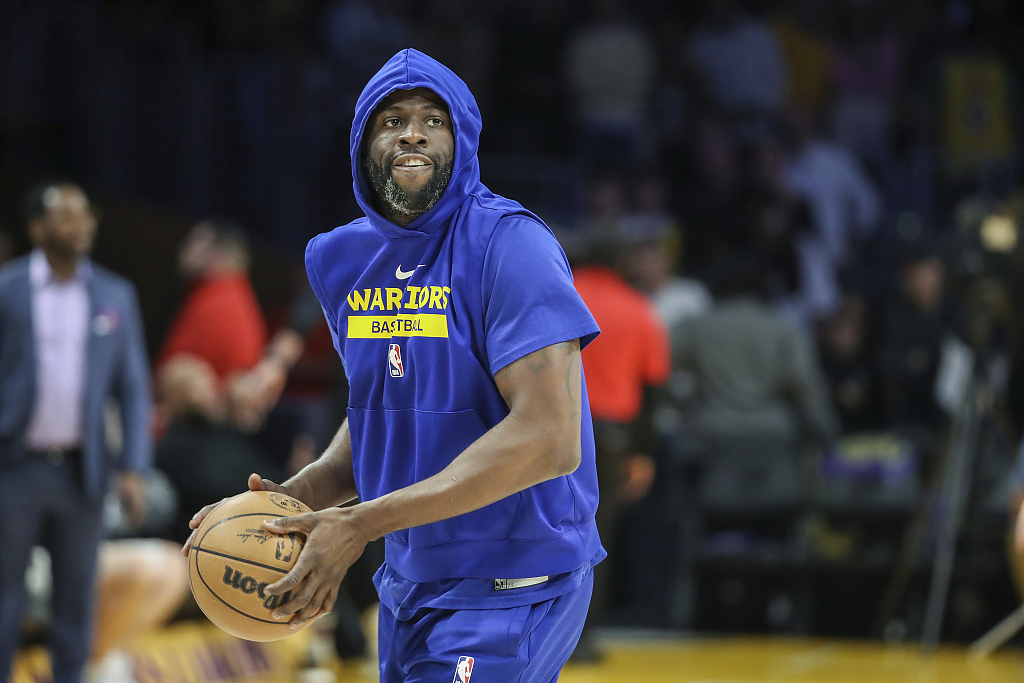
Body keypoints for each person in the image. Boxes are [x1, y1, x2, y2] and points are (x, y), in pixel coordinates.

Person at [185, 49, 604, 681]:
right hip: (409, 579)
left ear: (461, 138)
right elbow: (387, 412)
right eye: (391, 121)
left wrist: (360, 524)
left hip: (513, 578)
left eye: (433, 119)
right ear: (361, 144)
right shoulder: (342, 261)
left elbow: (550, 438)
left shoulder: (510, 244)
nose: (412, 130)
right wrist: (296, 502)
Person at [0, 180, 151, 683]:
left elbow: (132, 389)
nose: (80, 223)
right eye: (65, 215)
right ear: (38, 228)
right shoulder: (8, 288)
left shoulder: (114, 294)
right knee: (5, 595)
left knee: (75, 599)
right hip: (15, 465)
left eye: (86, 213)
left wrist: (133, 466)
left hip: (82, 471)